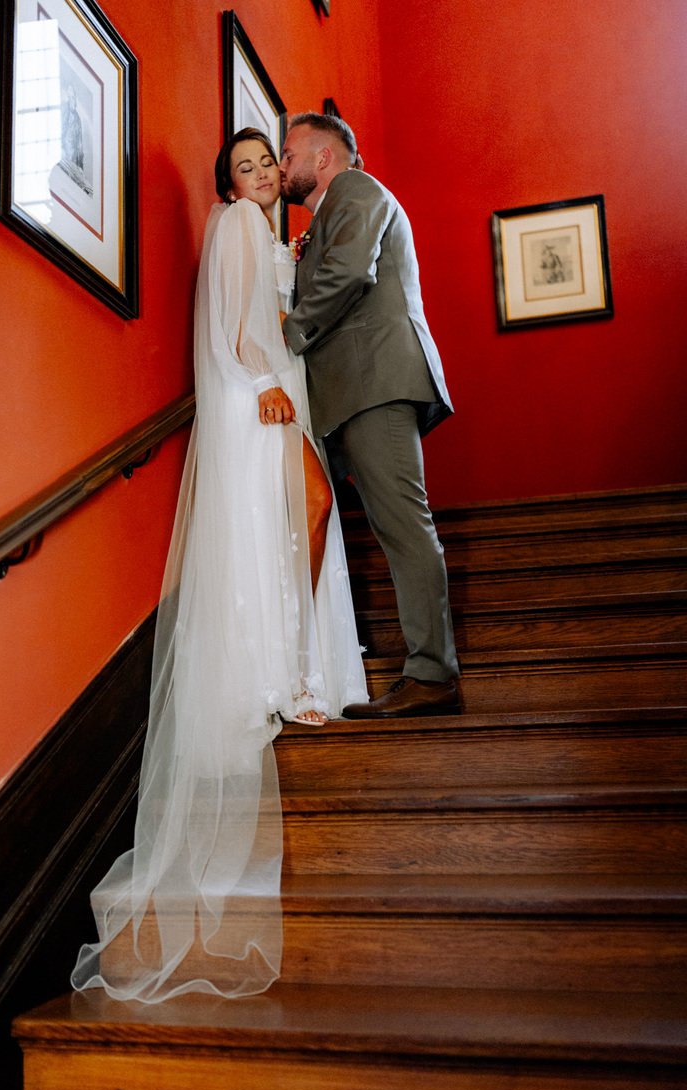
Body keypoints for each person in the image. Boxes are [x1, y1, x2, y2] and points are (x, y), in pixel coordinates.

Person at [70, 128, 367, 1002]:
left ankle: (294, 670)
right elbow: (236, 325)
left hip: (275, 390)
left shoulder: (275, 237)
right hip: (256, 396)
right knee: (307, 509)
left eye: (268, 161)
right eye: (246, 166)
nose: (263, 173)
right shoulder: (237, 223)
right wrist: (262, 379)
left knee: (287, 526)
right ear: (230, 184)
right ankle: (290, 675)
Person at [280, 113, 461, 719]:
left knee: (404, 526)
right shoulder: (327, 215)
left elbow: (352, 271)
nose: (282, 166)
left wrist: (289, 332)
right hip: (348, 392)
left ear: (324, 158)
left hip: (374, 383)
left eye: (289, 154)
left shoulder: (356, 189)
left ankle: (432, 675)